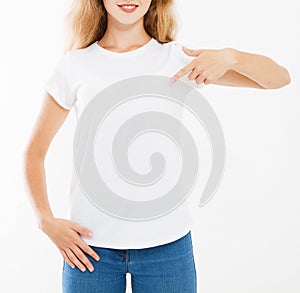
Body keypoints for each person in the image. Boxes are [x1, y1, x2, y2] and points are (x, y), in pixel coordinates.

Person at [23, 0, 291, 292]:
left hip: (167, 247)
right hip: (88, 248)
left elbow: (278, 79)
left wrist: (230, 56)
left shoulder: (177, 59)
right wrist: (45, 221)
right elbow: (34, 153)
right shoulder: (75, 65)